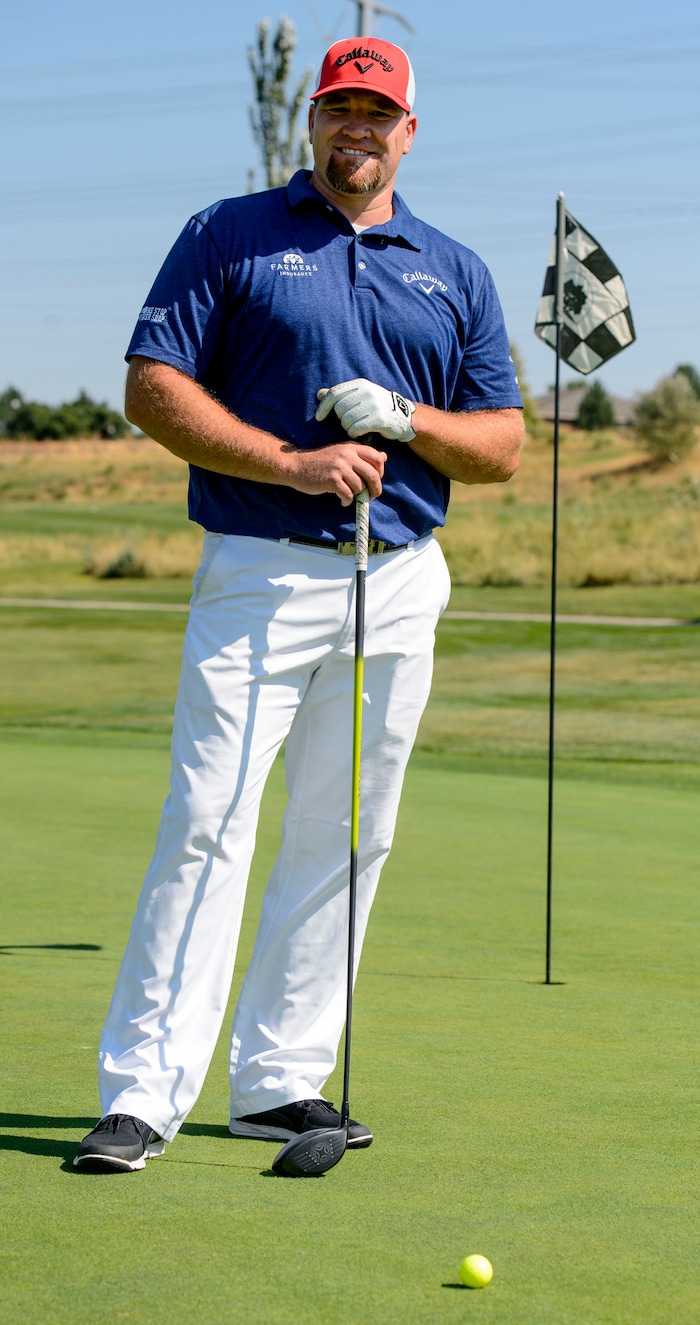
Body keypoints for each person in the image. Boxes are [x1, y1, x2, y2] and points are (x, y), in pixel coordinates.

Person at [74, 36, 523, 1172]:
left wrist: (409, 420)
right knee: (208, 821)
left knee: (347, 833)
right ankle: (143, 1093)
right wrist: (291, 461)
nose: (355, 128)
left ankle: (278, 1082)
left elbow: (503, 443)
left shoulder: (455, 269)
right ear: (312, 121)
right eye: (338, 109)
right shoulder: (228, 233)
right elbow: (152, 387)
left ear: (408, 132)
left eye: (377, 112)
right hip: (261, 568)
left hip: (399, 577)